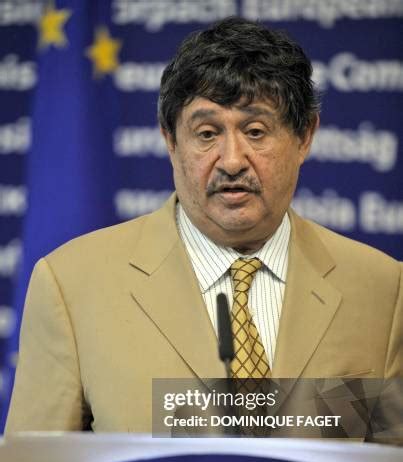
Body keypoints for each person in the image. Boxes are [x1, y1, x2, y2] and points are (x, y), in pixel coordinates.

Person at [5, 17, 402, 437]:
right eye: (207, 133)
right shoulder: (72, 286)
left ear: (305, 136)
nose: (231, 161)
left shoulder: (381, 289)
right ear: (170, 141)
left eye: (255, 131)